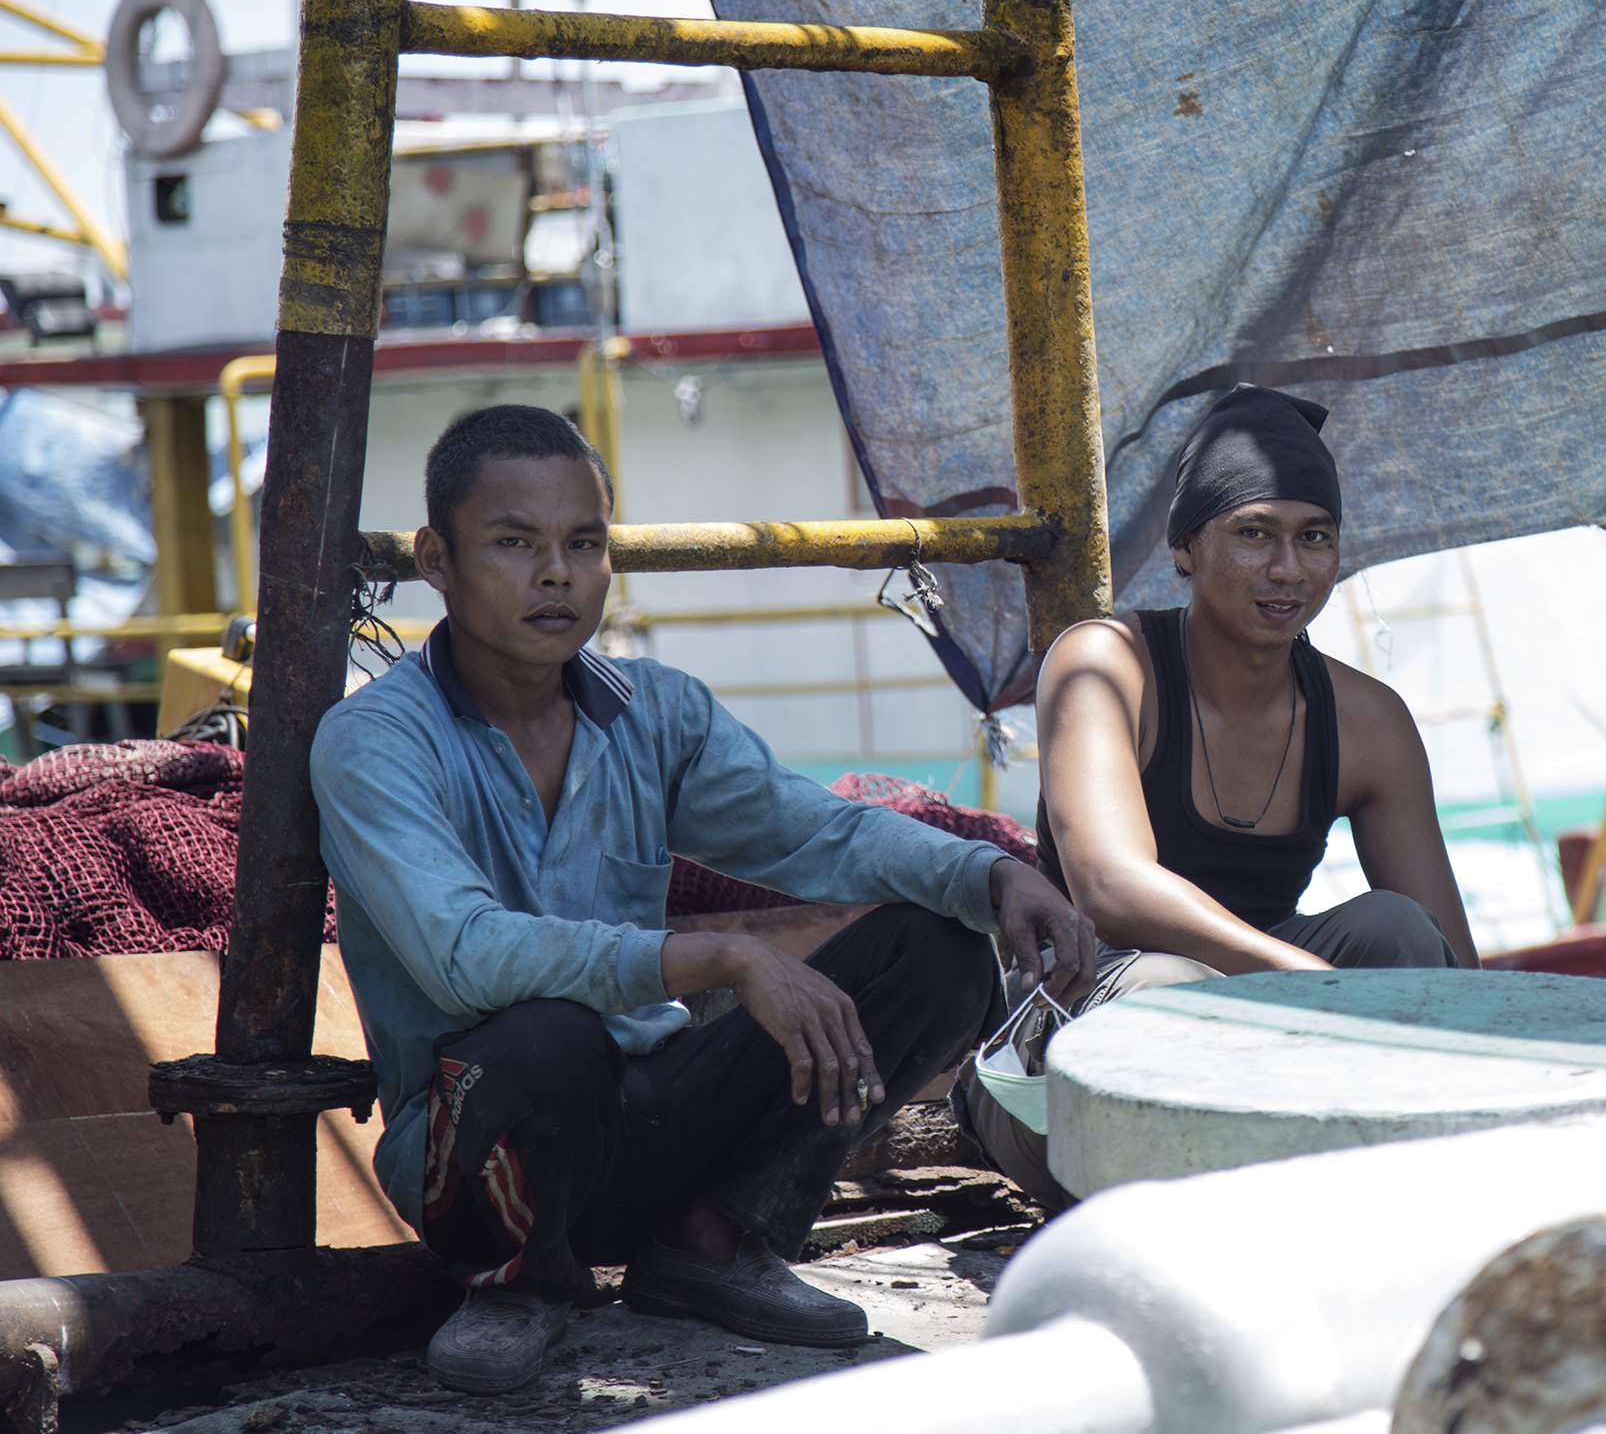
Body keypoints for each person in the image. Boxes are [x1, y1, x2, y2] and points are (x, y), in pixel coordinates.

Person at [311, 406, 1095, 1395]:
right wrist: (720, 958)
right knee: (545, 1033)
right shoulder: (376, 741)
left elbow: (815, 830)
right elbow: (463, 954)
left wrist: (989, 875)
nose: (556, 574)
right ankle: (517, 1287)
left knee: (939, 950)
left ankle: (711, 1242)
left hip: (652, 1112)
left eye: (583, 544)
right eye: (514, 543)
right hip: (482, 1145)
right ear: (438, 558)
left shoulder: (655, 712)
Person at [957, 384, 1475, 1208]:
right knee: (1169, 988)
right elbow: (1112, 889)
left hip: (1266, 1043)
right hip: (1073, 1061)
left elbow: (1451, 966)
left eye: (1314, 537)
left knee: (1399, 930)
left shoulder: (1368, 721)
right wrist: (1294, 975)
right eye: (1253, 534)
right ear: (1186, 547)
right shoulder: (1103, 663)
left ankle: (1398, 1201)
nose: (1287, 568)